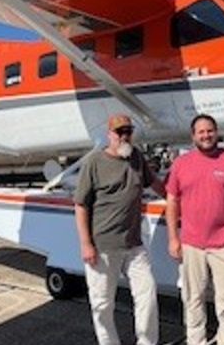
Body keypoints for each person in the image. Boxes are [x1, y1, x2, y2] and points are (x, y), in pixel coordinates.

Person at [74, 113, 165, 345]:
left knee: (147, 296)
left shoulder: (136, 157)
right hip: (103, 246)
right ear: (109, 135)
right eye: (119, 132)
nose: (124, 136)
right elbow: (81, 205)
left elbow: (154, 183)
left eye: (128, 132)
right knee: (102, 304)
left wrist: (178, 198)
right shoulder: (93, 162)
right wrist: (86, 243)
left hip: (134, 245)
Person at [165, 114, 224, 345]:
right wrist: (173, 238)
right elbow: (172, 202)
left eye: (210, 131)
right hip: (191, 244)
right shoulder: (181, 164)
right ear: (193, 136)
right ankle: (196, 341)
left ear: (216, 132)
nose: (206, 135)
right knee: (192, 299)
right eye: (201, 132)